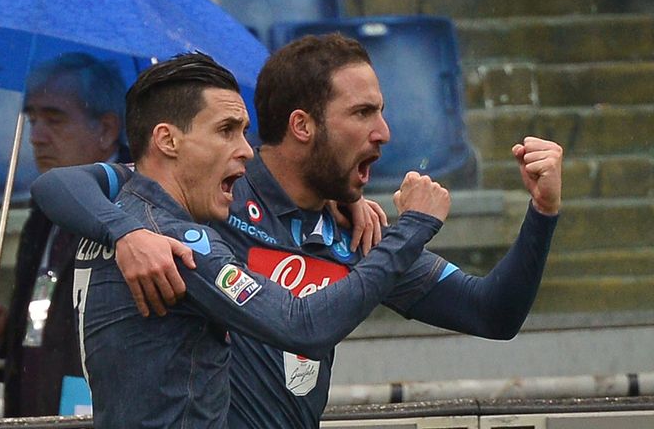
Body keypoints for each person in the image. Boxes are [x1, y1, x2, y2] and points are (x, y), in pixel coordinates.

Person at [31, 34, 562, 428]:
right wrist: (126, 231)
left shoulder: (356, 235)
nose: (384, 132)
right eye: (363, 113)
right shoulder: (206, 197)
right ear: (304, 125)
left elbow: (493, 312)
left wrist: (541, 215)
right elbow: (59, 187)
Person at [70, 51, 449, 428]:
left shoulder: (124, 214)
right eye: (226, 131)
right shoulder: (174, 241)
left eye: (242, 130)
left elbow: (57, 184)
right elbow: (303, 327)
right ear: (167, 140)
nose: (245, 149)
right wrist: (412, 227)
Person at [0, 52, 186, 417]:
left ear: (106, 129)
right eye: (32, 119)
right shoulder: (44, 214)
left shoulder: (140, 212)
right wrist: (0, 337)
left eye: (54, 119)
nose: (37, 137)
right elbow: (44, 332)